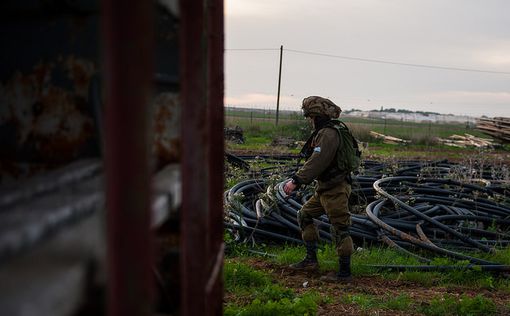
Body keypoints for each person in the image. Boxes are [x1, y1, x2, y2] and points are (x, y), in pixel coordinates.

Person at [283, 96, 354, 282]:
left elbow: (317, 162)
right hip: (324, 189)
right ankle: (310, 260)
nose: (309, 121)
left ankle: (344, 274)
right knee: (304, 215)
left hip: (335, 190)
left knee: (340, 228)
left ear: (316, 116)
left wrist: (296, 181)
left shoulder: (328, 134)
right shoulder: (324, 132)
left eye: (310, 117)